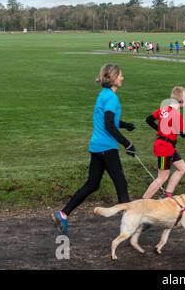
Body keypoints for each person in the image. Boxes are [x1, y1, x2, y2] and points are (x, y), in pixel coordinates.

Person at [52, 64, 136, 235]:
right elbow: (109, 124)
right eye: (120, 75)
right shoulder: (112, 97)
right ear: (113, 78)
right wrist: (127, 143)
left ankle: (63, 214)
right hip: (107, 147)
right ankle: (132, 226)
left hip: (96, 146)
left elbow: (107, 119)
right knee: (121, 184)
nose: (122, 78)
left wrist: (125, 125)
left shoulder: (103, 94)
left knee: (92, 184)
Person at [143, 87, 185, 199]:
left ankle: (167, 195)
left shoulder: (164, 109)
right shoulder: (175, 114)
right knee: (162, 177)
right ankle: (142, 202)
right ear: (181, 100)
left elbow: (148, 119)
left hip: (167, 146)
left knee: (182, 168)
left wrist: (161, 131)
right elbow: (184, 134)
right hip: (164, 148)